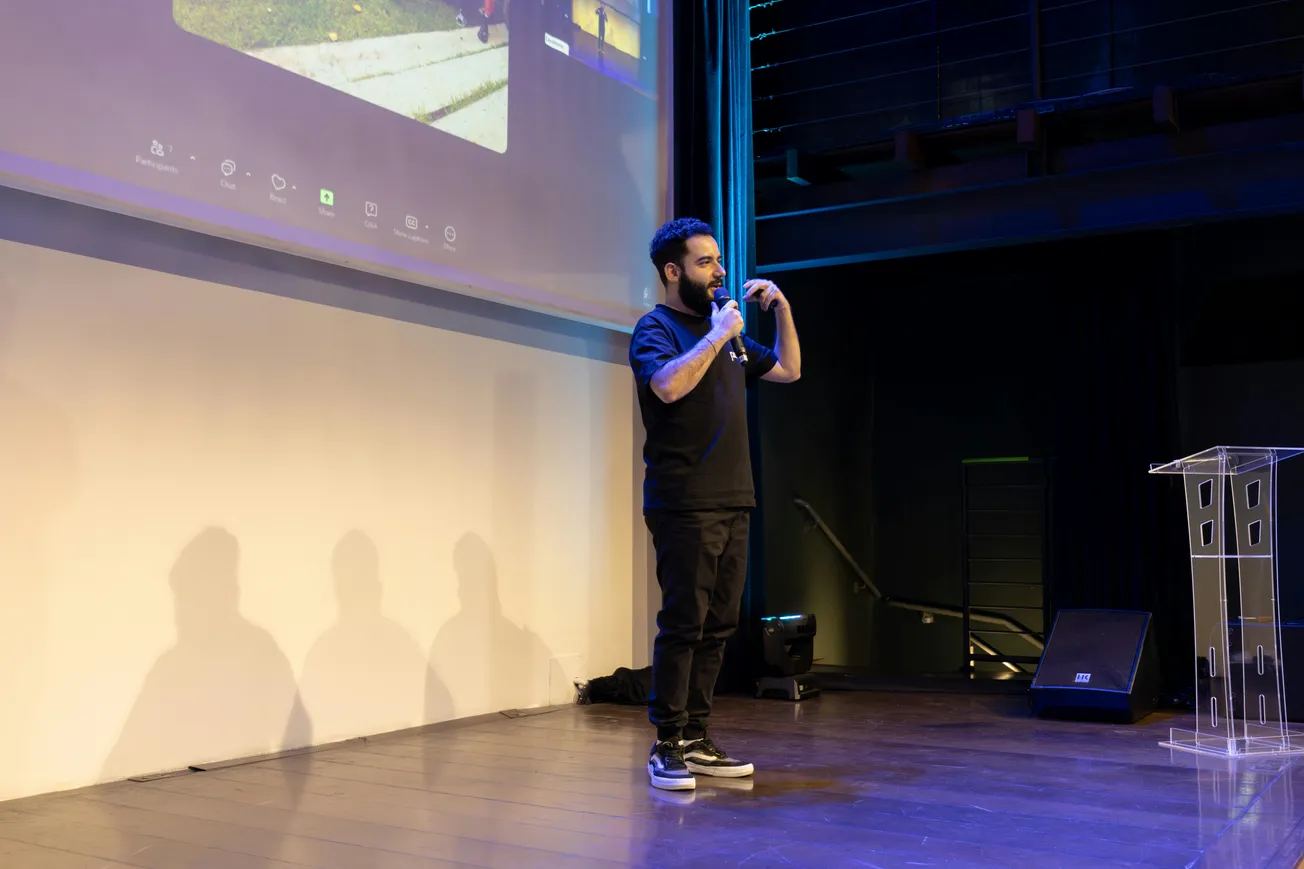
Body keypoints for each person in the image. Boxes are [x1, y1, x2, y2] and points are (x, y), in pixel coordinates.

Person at [629, 217, 802, 791]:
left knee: (720, 624)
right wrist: (717, 336)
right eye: (706, 262)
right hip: (684, 501)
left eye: (719, 260)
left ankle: (697, 737)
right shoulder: (656, 328)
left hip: (734, 498)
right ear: (672, 271)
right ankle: (667, 741)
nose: (720, 272)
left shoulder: (727, 334)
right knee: (684, 622)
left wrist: (781, 309)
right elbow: (668, 386)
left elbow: (789, 370)